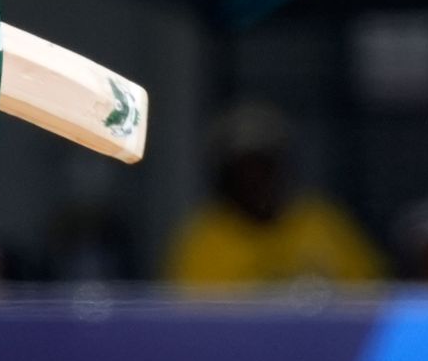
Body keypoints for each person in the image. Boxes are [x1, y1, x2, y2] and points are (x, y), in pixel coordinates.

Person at [163, 101, 386, 289]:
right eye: (244, 169)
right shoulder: (201, 242)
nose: (256, 179)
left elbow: (372, 303)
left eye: (266, 166)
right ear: (223, 177)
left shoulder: (324, 223)